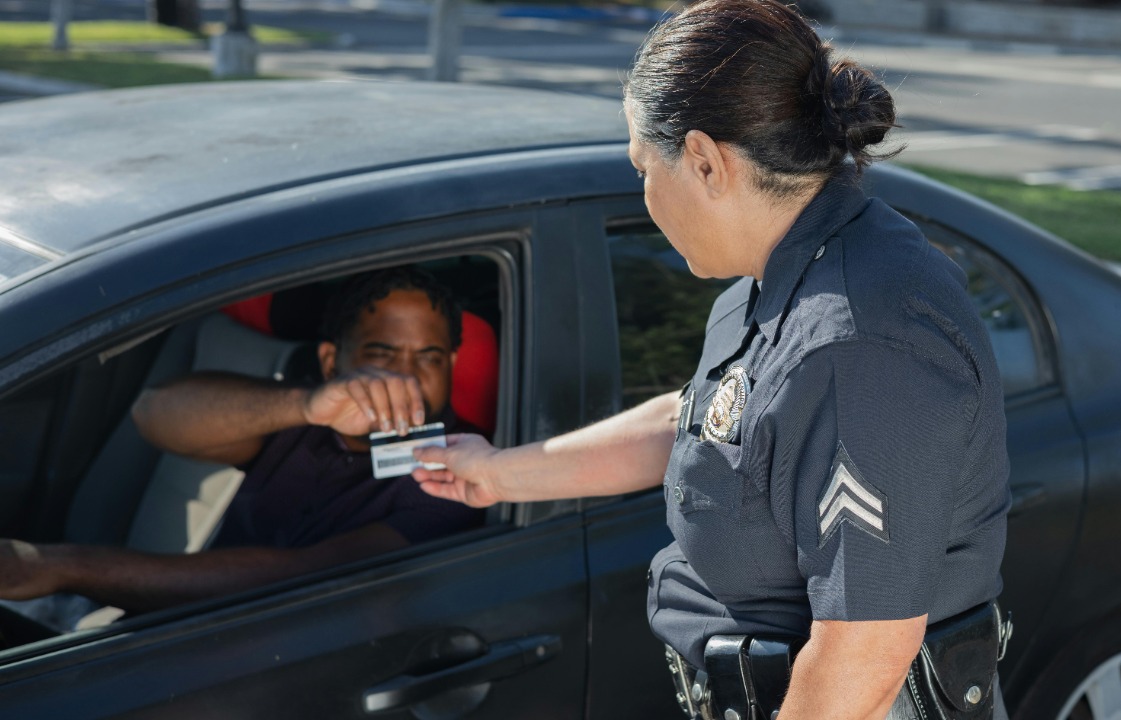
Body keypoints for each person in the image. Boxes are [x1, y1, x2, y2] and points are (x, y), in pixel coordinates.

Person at [409, 1, 1012, 719]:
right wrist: (497, 474)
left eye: (642, 166)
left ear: (704, 160)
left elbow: (864, 656)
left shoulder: (857, 347)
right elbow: (709, 426)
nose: (644, 192)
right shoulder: (780, 275)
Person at [0, 268, 484, 626]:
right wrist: (308, 404)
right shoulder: (309, 418)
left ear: (453, 364)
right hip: (170, 636)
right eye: (381, 352)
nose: (403, 375)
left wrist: (60, 566)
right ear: (332, 361)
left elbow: (297, 577)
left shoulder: (459, 466)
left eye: (429, 357)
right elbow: (156, 414)